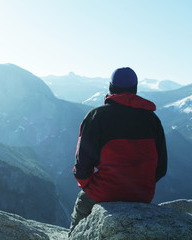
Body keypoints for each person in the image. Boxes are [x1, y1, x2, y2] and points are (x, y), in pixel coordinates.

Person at [69, 67, 167, 236]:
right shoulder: (152, 120)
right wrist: (140, 184)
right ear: (135, 89)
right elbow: (161, 167)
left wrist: (87, 185)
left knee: (83, 204)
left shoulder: (97, 116)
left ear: (111, 87)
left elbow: (83, 163)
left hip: (104, 192)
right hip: (142, 194)